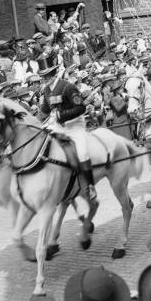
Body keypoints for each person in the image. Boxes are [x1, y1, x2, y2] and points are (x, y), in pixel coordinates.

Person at [37, 52, 98, 204]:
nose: (45, 78)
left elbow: (81, 108)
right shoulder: (46, 90)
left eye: (48, 74)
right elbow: (44, 111)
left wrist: (61, 116)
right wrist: (35, 123)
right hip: (57, 127)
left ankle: (90, 186)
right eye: (43, 75)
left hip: (75, 125)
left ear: (54, 72)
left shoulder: (68, 87)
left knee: (82, 153)